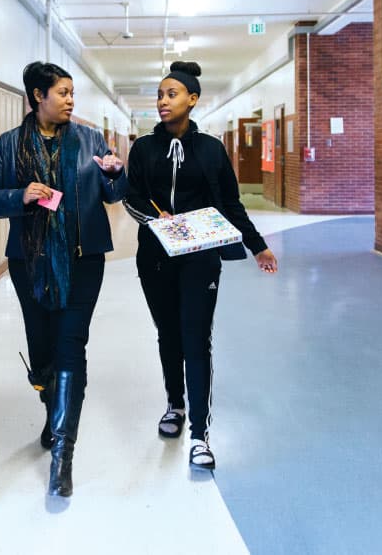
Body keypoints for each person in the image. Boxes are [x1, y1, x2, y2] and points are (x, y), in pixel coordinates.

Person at [0, 61, 127, 497]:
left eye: (71, 92)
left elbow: (114, 194)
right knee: (43, 349)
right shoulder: (10, 146)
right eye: (62, 92)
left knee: (69, 346)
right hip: (30, 263)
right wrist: (19, 196)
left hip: (84, 260)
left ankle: (64, 450)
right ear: (37, 96)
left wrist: (115, 175)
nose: (70, 100)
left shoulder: (89, 139)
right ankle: (54, 410)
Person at [123, 61, 277, 470]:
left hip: (200, 259)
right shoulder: (143, 149)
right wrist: (158, 221)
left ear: (192, 99)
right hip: (155, 258)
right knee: (168, 335)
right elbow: (131, 197)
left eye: (171, 94)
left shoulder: (211, 149)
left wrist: (257, 245)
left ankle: (199, 434)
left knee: (196, 338)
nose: (162, 101)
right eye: (159, 95)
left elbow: (230, 203)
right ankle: (174, 404)